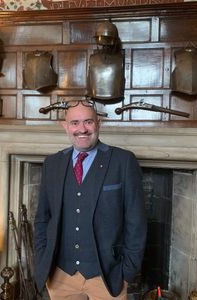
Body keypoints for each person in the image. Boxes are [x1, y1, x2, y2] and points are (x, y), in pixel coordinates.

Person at [34, 99, 147, 300]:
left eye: (88, 122)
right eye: (75, 123)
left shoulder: (123, 161)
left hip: (108, 277)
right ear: (65, 126)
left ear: (98, 124)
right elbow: (43, 219)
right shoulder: (52, 164)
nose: (82, 129)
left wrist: (127, 272)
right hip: (60, 277)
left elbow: (136, 223)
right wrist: (42, 258)